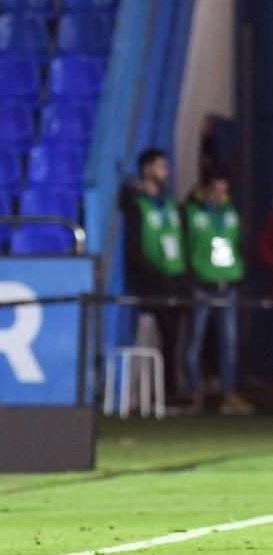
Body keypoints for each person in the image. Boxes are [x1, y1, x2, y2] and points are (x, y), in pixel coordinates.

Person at [120, 147, 190, 405]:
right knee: (154, 338)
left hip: (176, 281)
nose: (166, 171)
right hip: (153, 284)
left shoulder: (171, 204)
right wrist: (154, 275)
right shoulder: (137, 206)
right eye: (160, 165)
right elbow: (134, 249)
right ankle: (150, 395)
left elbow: (182, 242)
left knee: (175, 339)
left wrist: (184, 276)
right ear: (147, 168)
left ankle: (171, 390)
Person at [183, 172, 254, 414]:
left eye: (224, 190)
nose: (220, 195)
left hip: (227, 288)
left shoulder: (231, 215)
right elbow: (186, 243)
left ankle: (229, 394)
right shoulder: (193, 213)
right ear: (206, 190)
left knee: (229, 343)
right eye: (215, 189)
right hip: (202, 286)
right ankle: (194, 393)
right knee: (195, 342)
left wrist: (238, 274)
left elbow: (238, 245)